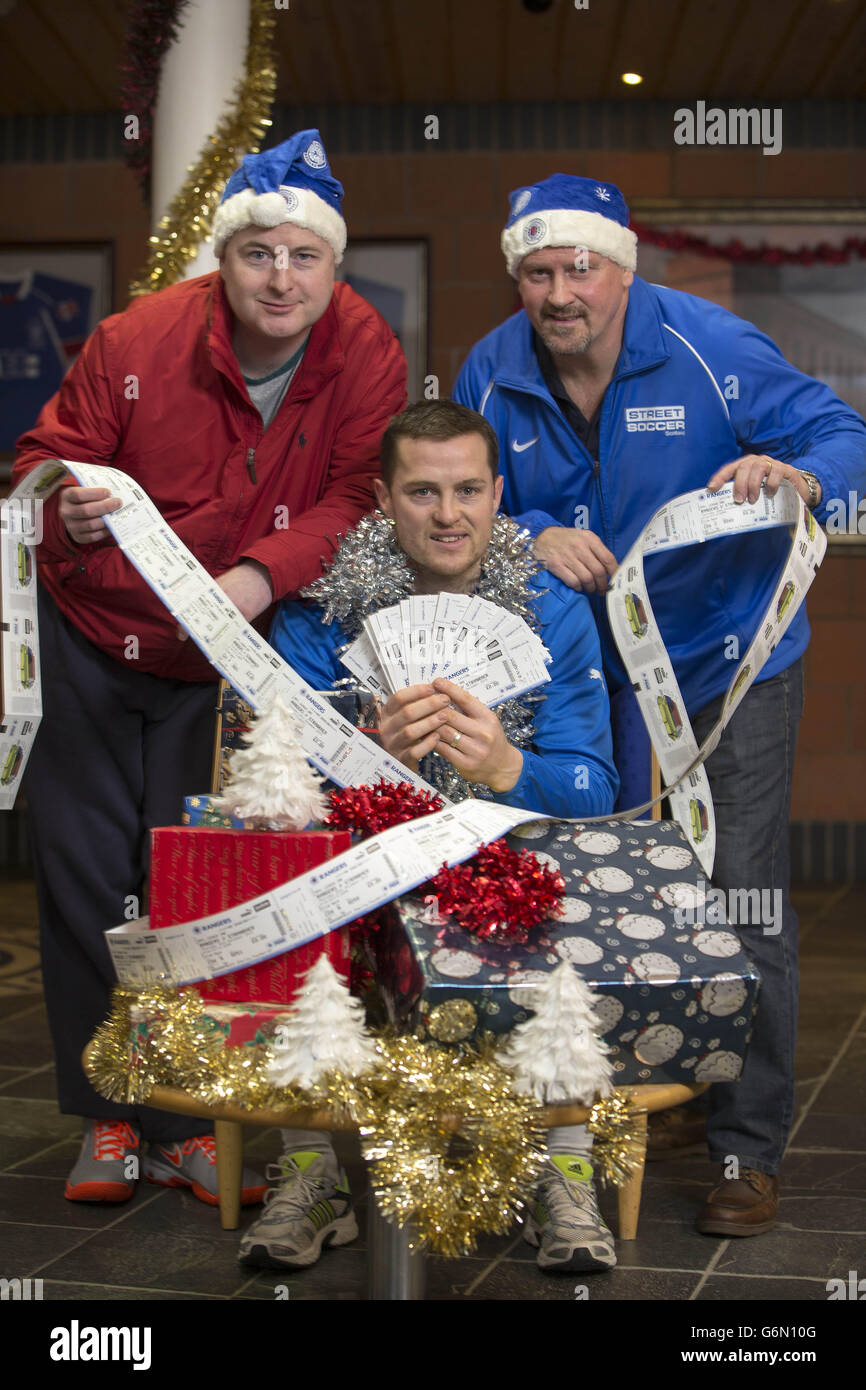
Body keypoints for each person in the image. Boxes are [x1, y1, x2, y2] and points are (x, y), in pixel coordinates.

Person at [453, 174, 866, 1238]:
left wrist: (800, 474)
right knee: (587, 888)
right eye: (537, 272)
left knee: (734, 897)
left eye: (578, 267)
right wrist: (525, 531)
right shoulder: (489, 372)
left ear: (620, 267)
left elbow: (840, 430)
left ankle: (743, 1144)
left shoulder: (707, 344)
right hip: (586, 676)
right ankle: (601, 1109)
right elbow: (460, 499)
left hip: (725, 665)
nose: (559, 292)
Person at [11, 130, 407, 1208]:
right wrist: (71, 516)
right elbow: (38, 464)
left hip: (227, 647)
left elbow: (353, 496)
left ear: (332, 266)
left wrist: (254, 577)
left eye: (303, 257)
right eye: (257, 255)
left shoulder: (365, 349)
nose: (281, 278)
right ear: (222, 262)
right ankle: (106, 1115)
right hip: (91, 638)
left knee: (189, 888)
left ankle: (185, 1120)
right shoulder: (136, 336)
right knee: (90, 881)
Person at [245, 399, 620, 1274]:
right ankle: (308, 1170)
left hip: (501, 852)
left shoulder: (551, 608)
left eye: (465, 491)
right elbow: (276, 785)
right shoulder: (324, 608)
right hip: (364, 862)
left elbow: (592, 787)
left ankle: (563, 1168)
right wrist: (362, 760)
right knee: (292, 890)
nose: (447, 515)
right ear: (383, 498)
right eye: (421, 492)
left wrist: (504, 768)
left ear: (498, 494)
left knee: (549, 882)